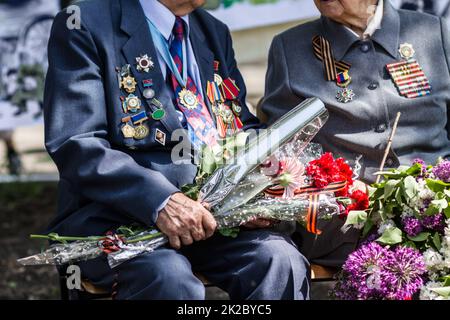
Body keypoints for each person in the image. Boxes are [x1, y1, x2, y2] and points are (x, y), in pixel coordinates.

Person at [44, 0, 310, 300]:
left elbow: (238, 125)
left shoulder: (211, 30)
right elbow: (78, 143)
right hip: (120, 218)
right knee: (169, 278)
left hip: (212, 219)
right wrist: (161, 200)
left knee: (279, 260)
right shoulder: (84, 23)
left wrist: (263, 182)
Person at [261, 0, 450, 267]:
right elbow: (280, 152)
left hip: (437, 209)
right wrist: (336, 190)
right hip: (348, 224)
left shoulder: (433, 31)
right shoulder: (290, 48)